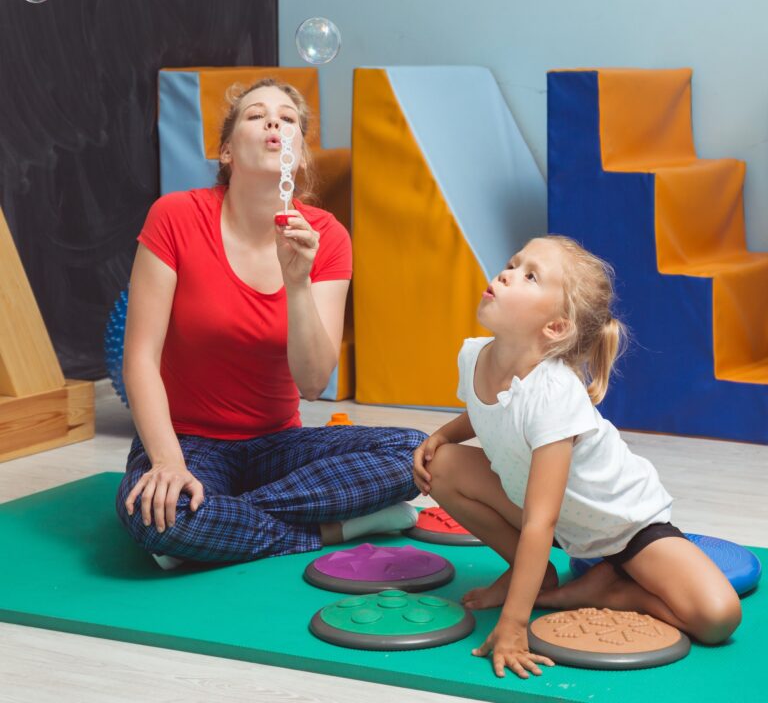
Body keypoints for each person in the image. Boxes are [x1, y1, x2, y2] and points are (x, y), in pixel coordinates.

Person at [116, 78, 424, 568]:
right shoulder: (174, 216)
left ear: (299, 156)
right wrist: (169, 463)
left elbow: (313, 383)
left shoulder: (326, 236)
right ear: (226, 151)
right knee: (156, 510)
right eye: (256, 115)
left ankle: (208, 528)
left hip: (277, 446)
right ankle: (331, 527)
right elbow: (139, 360)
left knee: (418, 452)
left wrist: (297, 281)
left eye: (288, 119)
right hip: (188, 441)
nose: (274, 121)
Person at [413, 235, 741, 679]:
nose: (506, 273)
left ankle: (604, 589)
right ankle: (540, 575)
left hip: (625, 527)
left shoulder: (554, 393)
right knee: (442, 465)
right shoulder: (474, 356)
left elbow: (540, 522)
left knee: (718, 617)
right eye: (513, 263)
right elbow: (487, 409)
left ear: (555, 327)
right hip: (563, 523)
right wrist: (443, 434)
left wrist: (514, 625)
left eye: (530, 276)